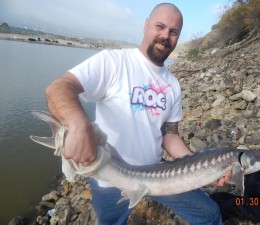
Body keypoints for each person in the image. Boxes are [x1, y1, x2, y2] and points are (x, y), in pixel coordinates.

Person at [46, 3, 230, 225]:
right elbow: (59, 88)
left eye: (173, 32)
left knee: (209, 214)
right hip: (110, 176)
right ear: (145, 25)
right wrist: (78, 124)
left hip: (159, 174)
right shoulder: (113, 62)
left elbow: (169, 135)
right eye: (159, 26)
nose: (165, 36)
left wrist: (204, 167)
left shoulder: (172, 85)